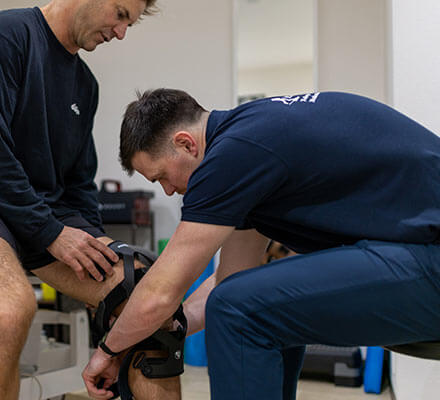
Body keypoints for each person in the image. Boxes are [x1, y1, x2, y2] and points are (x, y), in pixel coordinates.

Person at [0, 1, 188, 399]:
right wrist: (50, 231)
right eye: (121, 14)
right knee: (8, 310)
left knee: (149, 301)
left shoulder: (84, 84)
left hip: (39, 211)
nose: (122, 32)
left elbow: (77, 183)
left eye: (131, 22)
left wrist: (95, 261)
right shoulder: (2, 37)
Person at [82, 89, 440, 400]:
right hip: (418, 255)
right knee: (250, 302)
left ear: (186, 143)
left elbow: (161, 292)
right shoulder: (252, 142)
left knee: (238, 310)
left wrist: (108, 350)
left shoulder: (233, 153)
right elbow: (229, 279)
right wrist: (166, 329)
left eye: (162, 176)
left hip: (429, 257)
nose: (169, 190)